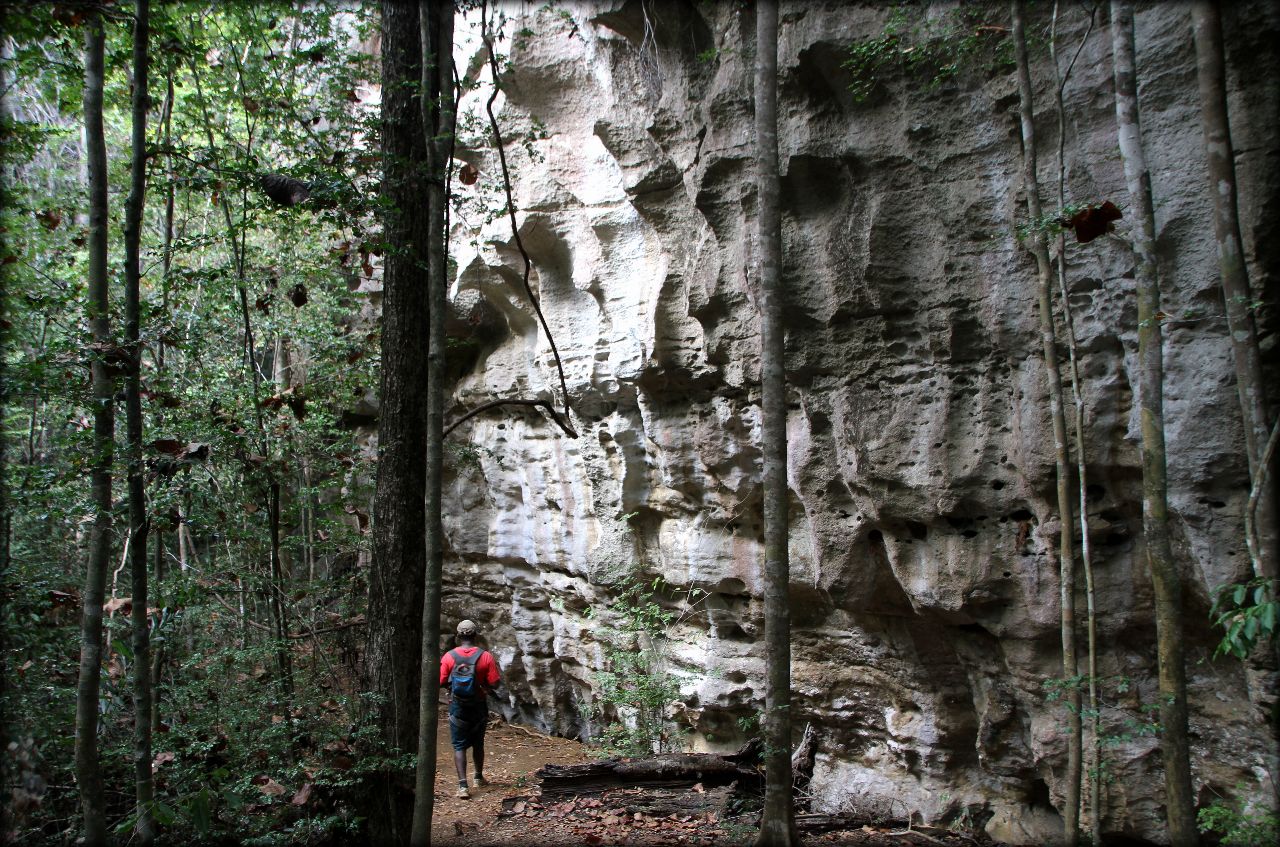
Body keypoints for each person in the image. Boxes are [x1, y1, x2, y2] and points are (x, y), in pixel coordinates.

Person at [439, 619, 500, 799]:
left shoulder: (449, 656)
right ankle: (479, 777)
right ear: (475, 635)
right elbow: (495, 682)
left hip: (458, 706)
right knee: (478, 743)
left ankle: (463, 786)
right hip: (478, 705)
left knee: (459, 745)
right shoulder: (485, 656)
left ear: (458, 636)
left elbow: (441, 681)